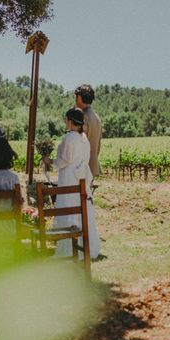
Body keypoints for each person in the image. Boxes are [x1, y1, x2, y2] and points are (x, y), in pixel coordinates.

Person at [42, 108, 101, 259]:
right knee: (81, 209)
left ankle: (68, 248)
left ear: (70, 121)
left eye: (66, 119)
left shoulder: (69, 138)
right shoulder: (84, 138)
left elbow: (64, 161)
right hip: (80, 177)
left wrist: (49, 161)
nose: (64, 122)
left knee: (68, 207)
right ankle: (86, 246)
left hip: (68, 177)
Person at [74, 84, 102, 179]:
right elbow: (98, 145)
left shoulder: (83, 117)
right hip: (92, 166)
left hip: (81, 168)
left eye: (76, 97)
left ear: (79, 97)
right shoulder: (97, 118)